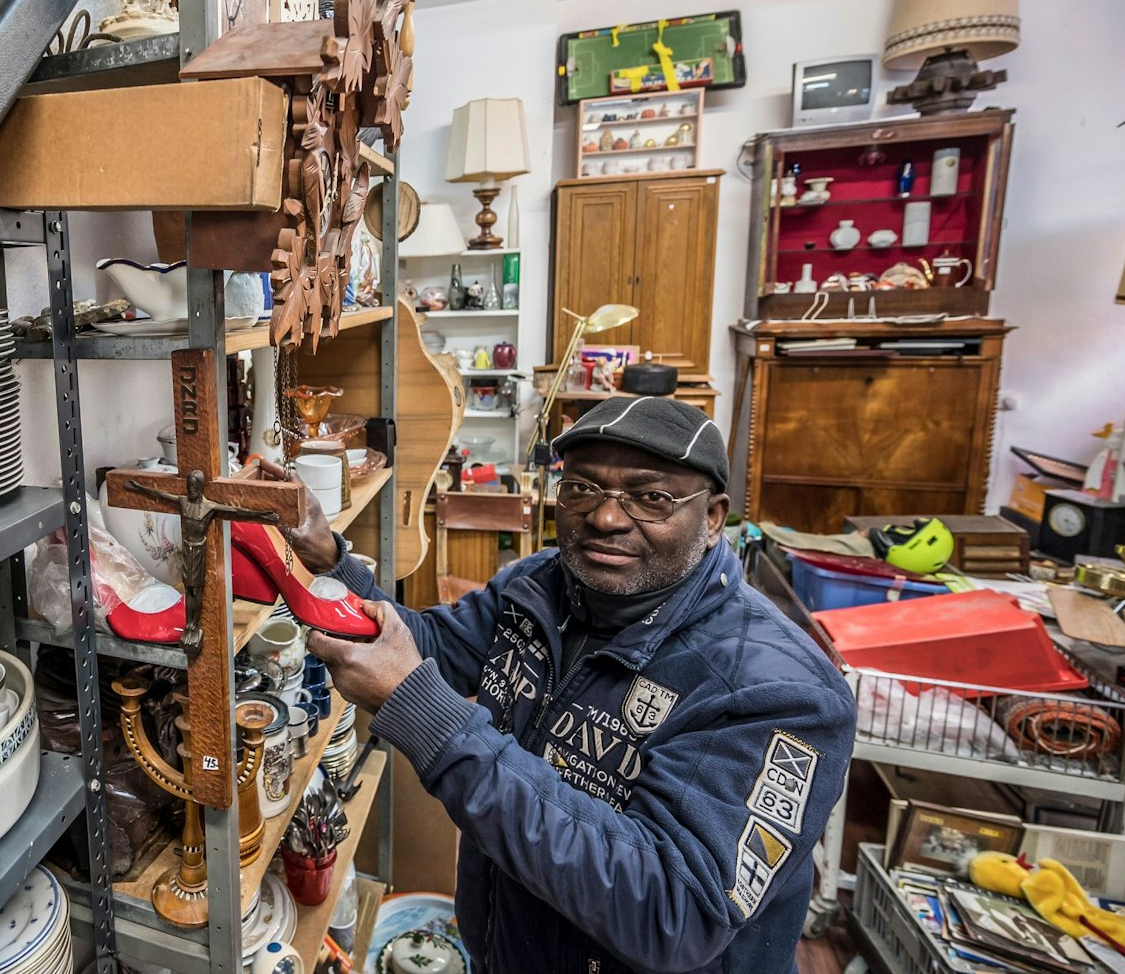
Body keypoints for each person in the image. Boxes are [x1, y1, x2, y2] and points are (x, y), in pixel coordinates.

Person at [271, 396, 857, 974]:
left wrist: (432, 722)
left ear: (711, 518)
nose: (605, 518)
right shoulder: (539, 587)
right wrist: (330, 561)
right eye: (581, 487)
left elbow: (672, 912)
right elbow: (432, 648)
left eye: (651, 498)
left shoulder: (782, 694)